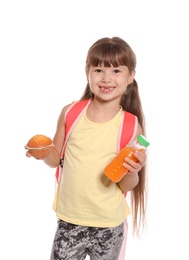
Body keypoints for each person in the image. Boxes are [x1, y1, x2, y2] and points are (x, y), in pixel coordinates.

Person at [26, 36, 148, 260]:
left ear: (131, 76)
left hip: (110, 225)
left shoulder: (131, 125)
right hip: (70, 221)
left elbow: (125, 184)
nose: (106, 78)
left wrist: (133, 171)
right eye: (99, 70)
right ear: (88, 72)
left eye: (116, 71)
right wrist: (43, 153)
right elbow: (55, 159)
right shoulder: (71, 113)